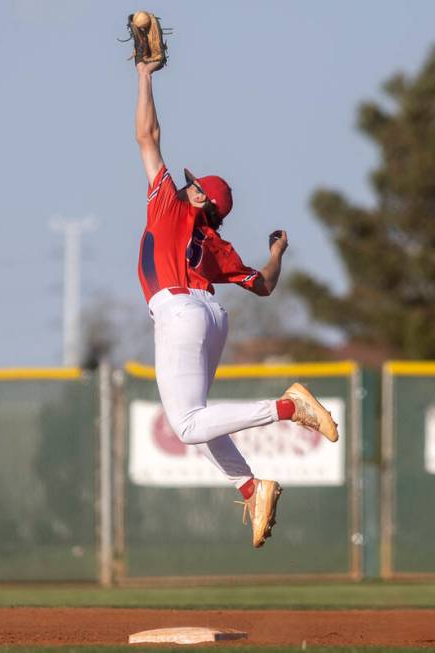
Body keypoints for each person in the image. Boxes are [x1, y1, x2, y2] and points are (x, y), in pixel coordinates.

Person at [132, 59, 338, 548]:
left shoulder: (171, 204)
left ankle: (288, 408)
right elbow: (264, 286)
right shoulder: (219, 249)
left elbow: (147, 135)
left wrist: (144, 75)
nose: (185, 183)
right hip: (210, 317)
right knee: (199, 421)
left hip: (179, 311)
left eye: (194, 183)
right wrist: (276, 253)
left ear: (201, 199)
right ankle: (252, 487)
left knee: (185, 425)